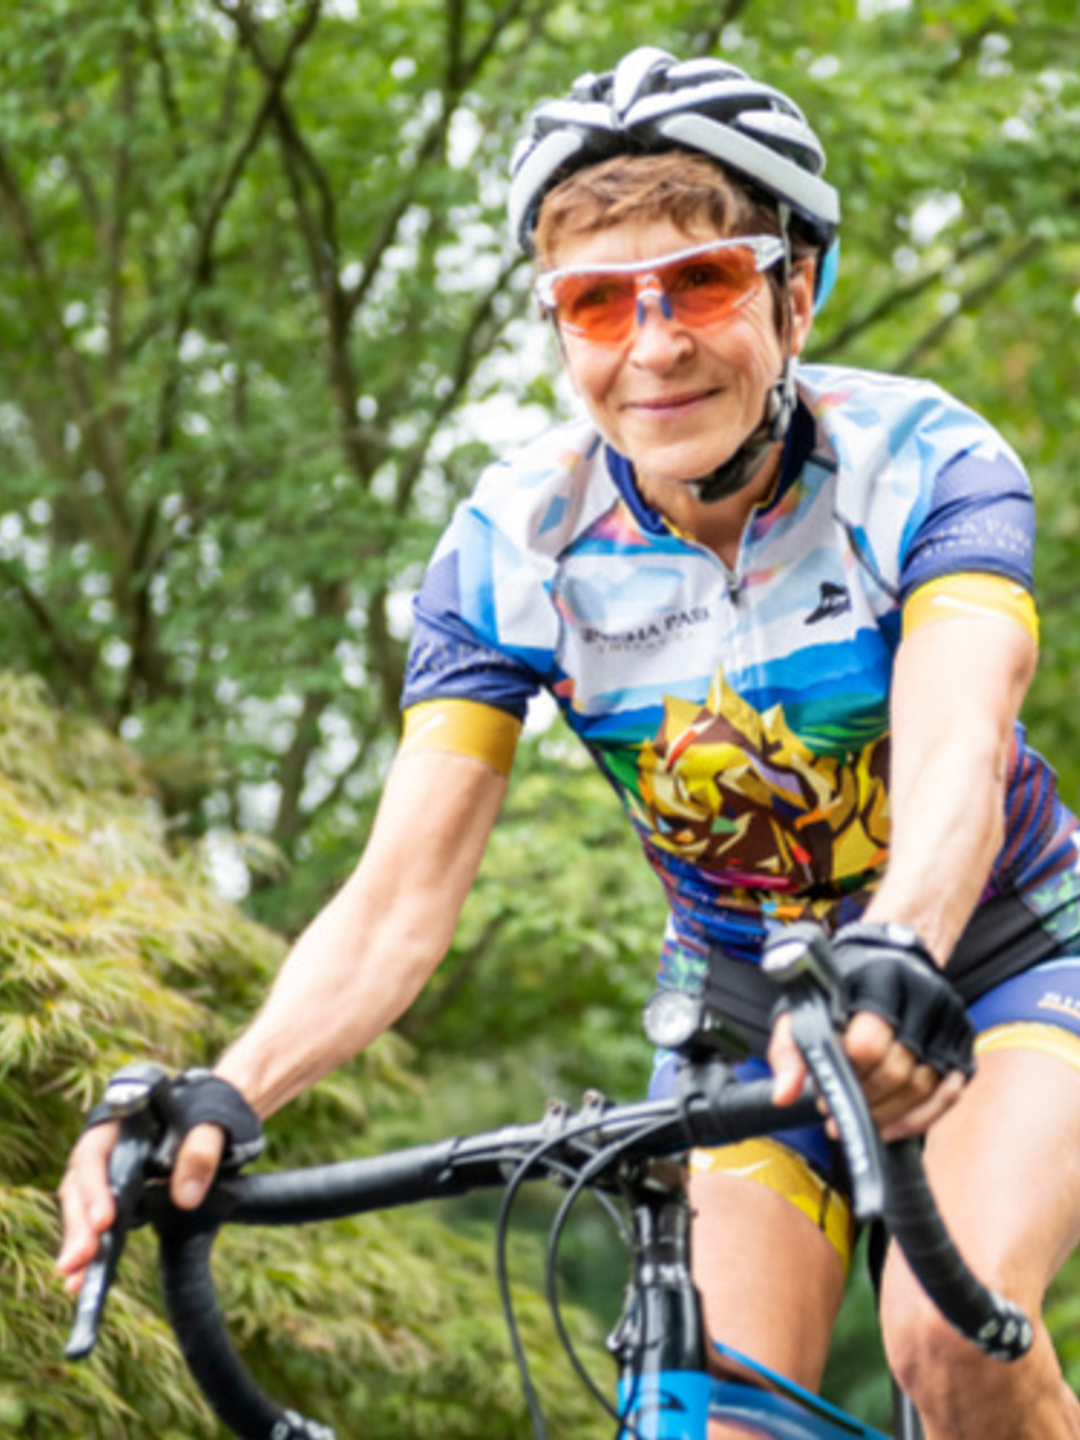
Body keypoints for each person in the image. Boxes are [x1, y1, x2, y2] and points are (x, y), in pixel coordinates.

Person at [58, 45, 1080, 1440]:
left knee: (947, 1336)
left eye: (704, 284)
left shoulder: (921, 459)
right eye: (599, 303)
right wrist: (230, 1090)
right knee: (707, 1409)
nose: (653, 346)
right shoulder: (508, 547)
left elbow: (960, 735)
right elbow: (399, 900)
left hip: (996, 960)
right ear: (559, 329)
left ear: (796, 288)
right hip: (742, 1011)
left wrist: (899, 944)